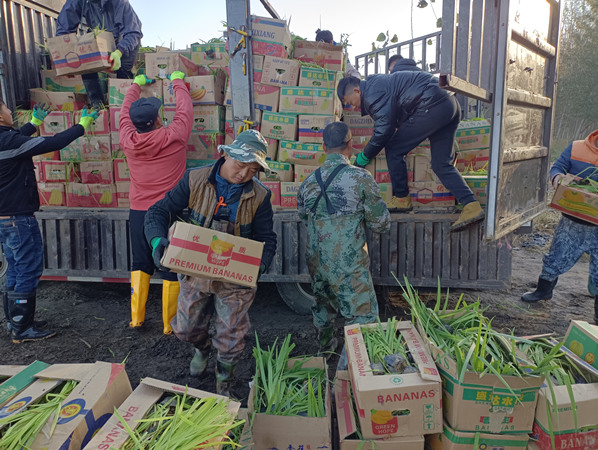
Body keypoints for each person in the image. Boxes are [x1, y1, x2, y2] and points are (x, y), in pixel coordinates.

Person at [144, 130, 277, 396]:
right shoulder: (194, 179)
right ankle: (201, 347)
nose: (244, 175)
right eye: (240, 166)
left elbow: (267, 238)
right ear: (225, 154)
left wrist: (257, 267)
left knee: (231, 336)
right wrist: (158, 242)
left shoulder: (260, 196)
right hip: (196, 270)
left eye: (252, 171)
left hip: (235, 277)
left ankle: (223, 386)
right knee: (185, 328)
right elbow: (158, 212)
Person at [0, 99, 98, 343]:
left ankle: (16, 321)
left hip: (6, 219)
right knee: (27, 268)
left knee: (14, 267)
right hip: (17, 219)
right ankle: (22, 328)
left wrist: (33, 123)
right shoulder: (9, 141)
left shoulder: (7, 140)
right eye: (5, 107)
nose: (10, 110)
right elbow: (52, 143)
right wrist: (81, 126)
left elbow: (15, 143)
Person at [297, 122, 391, 369]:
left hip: (318, 263)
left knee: (323, 311)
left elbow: (303, 217)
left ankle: (326, 354)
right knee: (362, 316)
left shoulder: (307, 183)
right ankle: (348, 374)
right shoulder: (360, 178)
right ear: (351, 145)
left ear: (323, 147)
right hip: (349, 264)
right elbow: (381, 224)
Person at [337, 75, 484, 232]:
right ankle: (471, 205)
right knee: (441, 164)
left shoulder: (373, 93)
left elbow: (384, 131)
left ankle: (401, 198)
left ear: (357, 90)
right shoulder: (377, 84)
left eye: (350, 102)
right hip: (448, 104)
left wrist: (363, 158)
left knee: (394, 148)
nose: (353, 107)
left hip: (431, 105)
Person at [119, 71, 193, 334]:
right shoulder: (174, 137)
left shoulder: (127, 140)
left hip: (138, 211)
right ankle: (168, 324)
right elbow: (185, 110)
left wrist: (136, 85)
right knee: (171, 263)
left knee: (140, 262)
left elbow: (123, 113)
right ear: (157, 120)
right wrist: (177, 82)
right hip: (169, 211)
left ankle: (136, 319)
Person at [521, 130, 598, 326]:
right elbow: (558, 167)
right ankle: (543, 291)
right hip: (571, 221)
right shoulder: (576, 147)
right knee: (555, 257)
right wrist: (557, 178)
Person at [56, 0, 143, 108]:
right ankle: (98, 105)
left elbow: (133, 33)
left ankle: (125, 106)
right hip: (100, 37)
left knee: (123, 72)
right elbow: (64, 28)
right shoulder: (78, 1)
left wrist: (119, 52)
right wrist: (66, 62)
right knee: (85, 62)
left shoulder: (120, 3)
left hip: (124, 39)